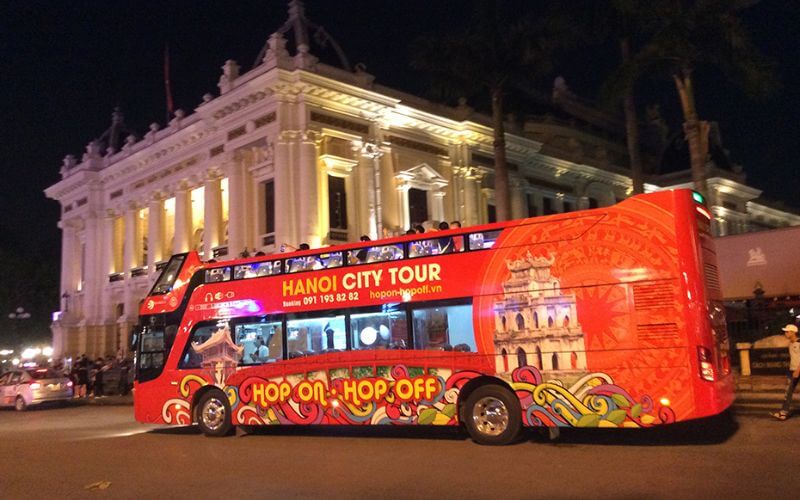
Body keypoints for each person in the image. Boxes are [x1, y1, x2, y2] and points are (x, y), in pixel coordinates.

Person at [773, 324, 800, 420]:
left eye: (787, 331)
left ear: (793, 332)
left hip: (797, 370)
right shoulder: (790, 343)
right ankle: (783, 413)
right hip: (792, 371)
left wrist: (797, 370)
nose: (785, 333)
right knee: (788, 392)